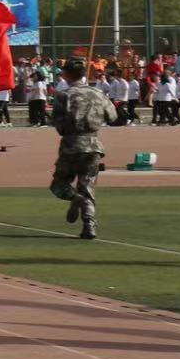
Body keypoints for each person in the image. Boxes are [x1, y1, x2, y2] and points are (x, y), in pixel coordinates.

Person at [49, 58, 113, 240]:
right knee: (87, 185)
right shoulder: (98, 93)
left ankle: (77, 199)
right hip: (93, 145)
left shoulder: (63, 96)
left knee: (59, 185)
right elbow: (113, 116)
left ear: (66, 74)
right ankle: (89, 224)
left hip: (72, 145)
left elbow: (60, 126)